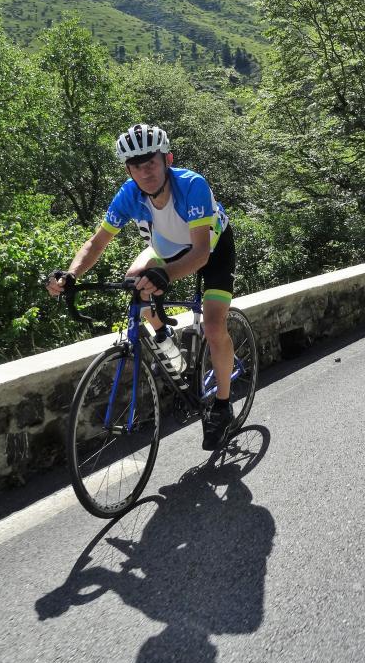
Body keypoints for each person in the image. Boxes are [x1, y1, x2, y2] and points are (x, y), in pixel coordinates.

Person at [46, 123, 237, 450]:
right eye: (137, 166)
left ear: (167, 160)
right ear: (128, 170)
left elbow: (200, 253)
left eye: (151, 163)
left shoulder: (192, 185)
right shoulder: (129, 195)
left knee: (214, 325)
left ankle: (222, 404)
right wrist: (71, 274)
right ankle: (165, 338)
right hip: (165, 248)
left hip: (211, 249)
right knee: (134, 283)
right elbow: (97, 242)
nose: (145, 172)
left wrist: (166, 275)